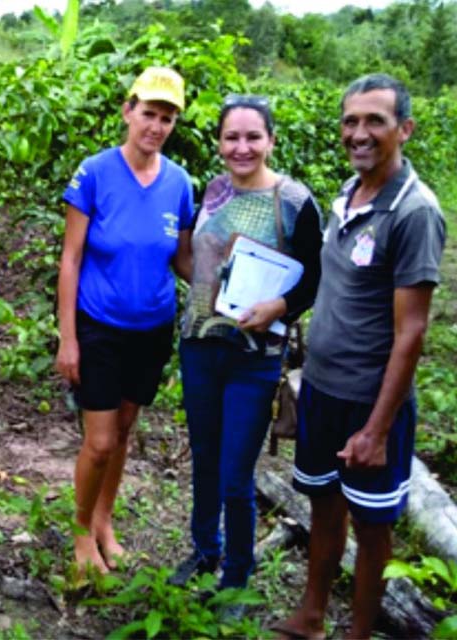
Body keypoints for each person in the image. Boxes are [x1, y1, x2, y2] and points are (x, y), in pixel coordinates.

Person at [275, 74, 446, 640]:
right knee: (324, 505)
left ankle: (359, 632)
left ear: (405, 129)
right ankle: (312, 615)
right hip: (322, 389)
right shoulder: (347, 196)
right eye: (351, 121)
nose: (360, 132)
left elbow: (412, 332)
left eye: (375, 120)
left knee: (373, 526)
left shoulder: (414, 212)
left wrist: (377, 426)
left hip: (371, 402)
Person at [171, 94, 323, 593]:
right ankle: (203, 549)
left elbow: (314, 278)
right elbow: (194, 257)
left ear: (271, 140)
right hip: (199, 346)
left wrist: (277, 307)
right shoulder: (211, 191)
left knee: (236, 473)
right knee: (205, 456)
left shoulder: (295, 202)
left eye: (252, 137)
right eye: (231, 137)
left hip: (254, 358)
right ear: (218, 143)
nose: (242, 147)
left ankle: (236, 575)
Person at [56, 66, 194, 577]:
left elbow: (182, 260)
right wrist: (68, 338)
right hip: (99, 325)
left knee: (126, 428)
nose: (155, 126)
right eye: (149, 113)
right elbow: (70, 259)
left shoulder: (179, 183)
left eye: (167, 117)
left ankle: (104, 521)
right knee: (99, 440)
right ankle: (79, 532)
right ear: (127, 111)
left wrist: (228, 280)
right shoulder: (94, 174)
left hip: (152, 328)